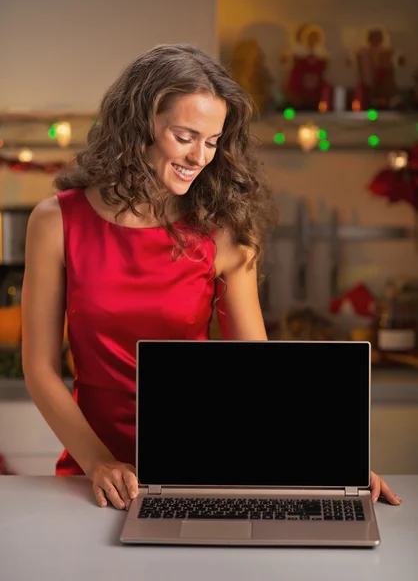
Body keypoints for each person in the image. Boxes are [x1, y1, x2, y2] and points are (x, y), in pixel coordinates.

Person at [21, 43, 401, 510]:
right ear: (140, 124)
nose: (200, 156)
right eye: (185, 136)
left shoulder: (223, 233)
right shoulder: (56, 221)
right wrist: (99, 462)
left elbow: (255, 374)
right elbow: (39, 368)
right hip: (92, 477)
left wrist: (328, 460)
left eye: (212, 140)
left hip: (200, 474)